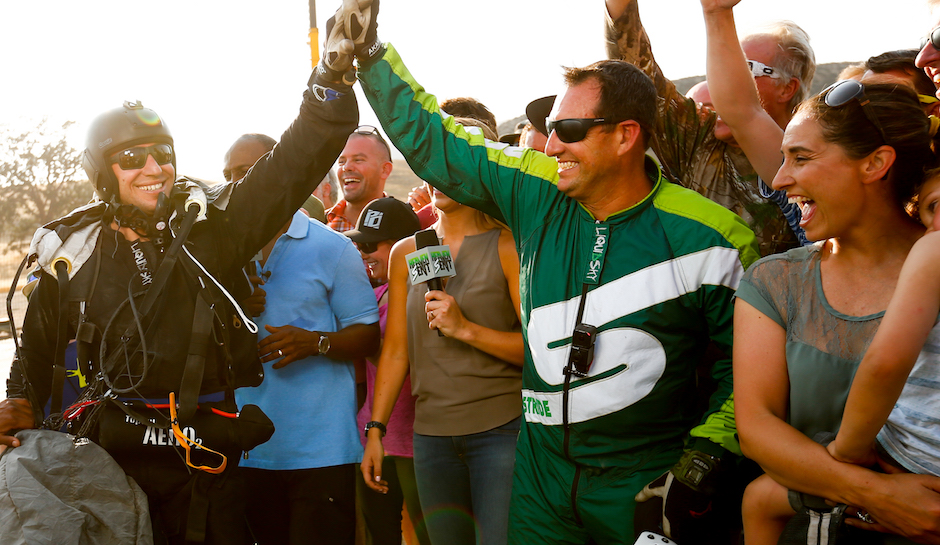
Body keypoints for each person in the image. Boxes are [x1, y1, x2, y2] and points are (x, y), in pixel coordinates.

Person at [338, 2, 760, 541]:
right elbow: (437, 141)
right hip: (540, 482)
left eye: (570, 128)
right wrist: (370, 52)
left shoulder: (715, 237)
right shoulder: (535, 189)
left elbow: (747, 372)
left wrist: (701, 462)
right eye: (552, 128)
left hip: (642, 484)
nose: (552, 142)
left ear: (627, 135)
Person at [0, 33, 359, 543]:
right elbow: (36, 352)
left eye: (162, 153)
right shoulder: (71, 251)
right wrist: (15, 403)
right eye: (132, 157)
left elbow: (291, 166)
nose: (154, 168)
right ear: (103, 171)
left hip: (205, 456)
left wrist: (330, 79)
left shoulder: (214, 227)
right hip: (109, 459)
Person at [733, 81, 940, 544]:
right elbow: (757, 430)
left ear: (875, 163)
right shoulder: (776, 281)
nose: (780, 179)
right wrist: (878, 494)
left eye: (801, 158)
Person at [361, 118, 524, 545]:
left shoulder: (508, 246)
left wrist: (466, 329)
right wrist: (375, 431)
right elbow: (396, 350)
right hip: (429, 441)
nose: (437, 173)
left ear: (480, 168)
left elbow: (540, 352)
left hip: (500, 434)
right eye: (430, 160)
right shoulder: (409, 252)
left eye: (452, 161)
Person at [220, 134, 380, 545]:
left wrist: (315, 342)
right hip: (244, 449)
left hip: (321, 451)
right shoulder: (218, 256)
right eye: (228, 176)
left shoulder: (334, 248)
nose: (237, 184)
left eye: (246, 172)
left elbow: (367, 336)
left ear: (280, 170)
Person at [605, 0, 814, 254]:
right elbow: (638, 74)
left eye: (745, 68)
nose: (723, 80)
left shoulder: (818, 158)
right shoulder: (697, 141)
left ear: (787, 88)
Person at [345, 197, 429, 545]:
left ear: (403, 246)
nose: (363, 253)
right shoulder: (370, 293)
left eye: (370, 244)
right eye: (358, 244)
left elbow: (399, 353)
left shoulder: (426, 288)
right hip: (374, 440)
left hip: (418, 443)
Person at [328, 126, 394, 233]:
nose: (346, 167)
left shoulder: (405, 225)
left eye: (358, 160)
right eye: (341, 161)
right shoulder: (319, 225)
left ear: (384, 170)